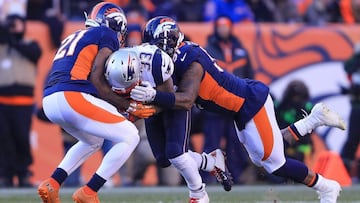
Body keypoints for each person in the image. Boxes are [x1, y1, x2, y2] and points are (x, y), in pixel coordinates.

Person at [131, 15, 346, 203]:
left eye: (156, 45)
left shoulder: (190, 58)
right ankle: (313, 119)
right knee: (264, 154)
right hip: (237, 109)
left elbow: (186, 100)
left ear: (169, 41)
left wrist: (153, 96)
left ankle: (327, 187)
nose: (153, 52)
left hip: (250, 104)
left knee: (275, 164)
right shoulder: (171, 59)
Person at [36, 2, 155, 203]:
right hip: (72, 96)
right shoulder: (105, 34)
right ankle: (89, 191)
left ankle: (52, 184)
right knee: (130, 136)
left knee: (93, 140)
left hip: (50, 100)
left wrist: (122, 109)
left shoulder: (75, 35)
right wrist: (128, 106)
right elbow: (98, 81)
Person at [202, 15, 254, 184]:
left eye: (226, 26)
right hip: (215, 104)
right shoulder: (208, 49)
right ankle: (207, 177)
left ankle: (235, 176)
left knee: (235, 142)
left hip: (234, 104)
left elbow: (249, 75)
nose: (223, 29)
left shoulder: (240, 49)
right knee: (212, 142)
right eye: (220, 26)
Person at [0, 13, 42, 187]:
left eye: (15, 24)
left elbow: (34, 54)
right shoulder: (2, 47)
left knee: (22, 139)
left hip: (23, 103)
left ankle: (23, 173)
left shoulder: (30, 45)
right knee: (4, 140)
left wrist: (12, 37)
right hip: (2, 102)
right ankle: (6, 176)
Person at [341, 43, 360, 182]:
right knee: (352, 140)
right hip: (357, 107)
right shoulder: (356, 62)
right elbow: (348, 67)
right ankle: (343, 173)